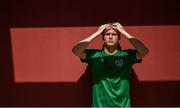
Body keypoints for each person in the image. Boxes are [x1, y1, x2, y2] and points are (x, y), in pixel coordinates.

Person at [72, 22, 149, 107]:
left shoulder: (126, 56)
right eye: (107, 34)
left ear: (119, 37)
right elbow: (76, 51)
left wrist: (124, 32)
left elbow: (144, 51)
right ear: (103, 37)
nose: (111, 37)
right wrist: (96, 33)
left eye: (114, 34)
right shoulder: (95, 56)